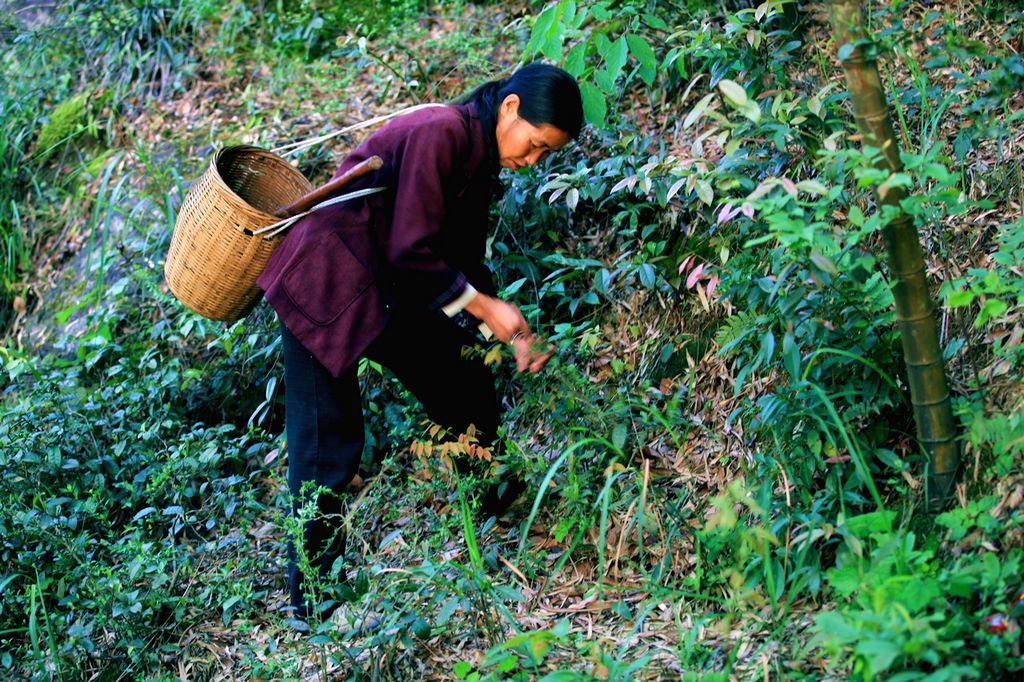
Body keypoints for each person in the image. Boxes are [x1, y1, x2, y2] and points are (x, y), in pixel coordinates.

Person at [256, 63, 584, 619]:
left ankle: (497, 508)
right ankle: (313, 609)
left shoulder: (479, 157)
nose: (531, 162)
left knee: (463, 380)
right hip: (323, 279)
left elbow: (460, 260)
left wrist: (510, 331)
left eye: (544, 155)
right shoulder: (442, 131)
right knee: (326, 447)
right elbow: (412, 248)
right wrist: (484, 307)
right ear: (509, 109)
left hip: (382, 287)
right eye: (533, 145)